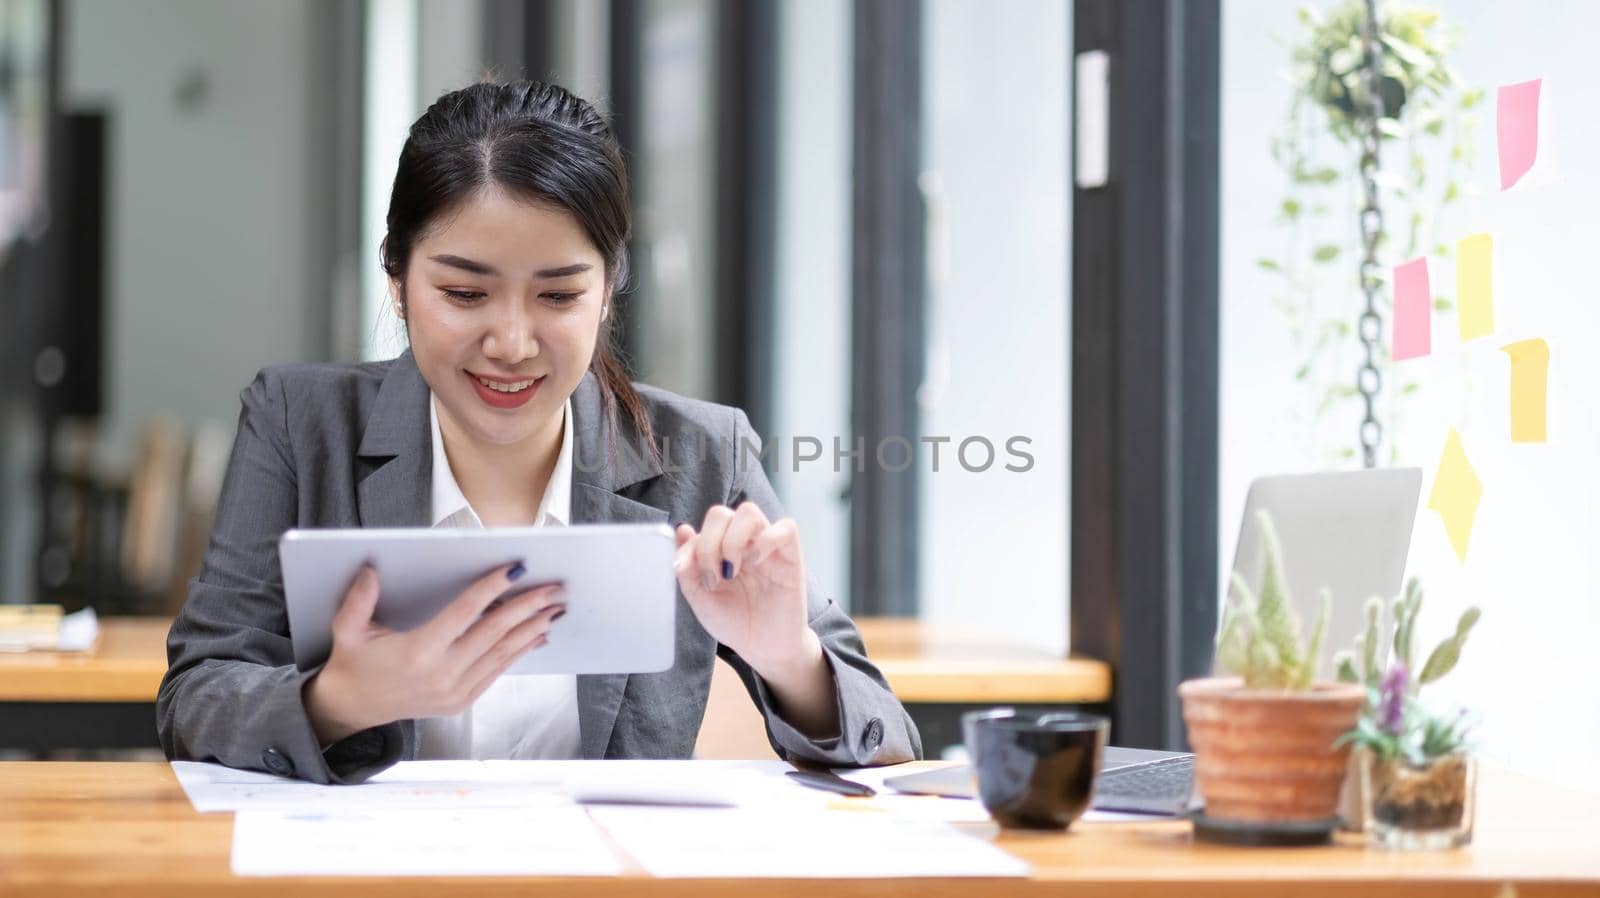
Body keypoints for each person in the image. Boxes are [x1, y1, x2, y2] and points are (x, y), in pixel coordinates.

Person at [157, 80, 921, 784]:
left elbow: (888, 738)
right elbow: (197, 694)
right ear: (396, 276)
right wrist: (339, 700)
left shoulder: (700, 455)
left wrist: (787, 657)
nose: (513, 343)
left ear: (608, 291)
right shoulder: (299, 422)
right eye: (463, 292)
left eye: (558, 296)